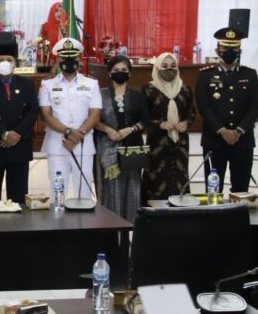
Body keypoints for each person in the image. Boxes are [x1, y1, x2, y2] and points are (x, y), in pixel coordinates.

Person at [196, 27, 258, 193]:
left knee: (241, 191)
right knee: (213, 190)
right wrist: (222, 131)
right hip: (214, 141)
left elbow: (255, 108)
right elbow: (204, 107)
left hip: (242, 141)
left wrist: (238, 131)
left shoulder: (250, 75)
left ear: (240, 51)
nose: (229, 52)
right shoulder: (205, 76)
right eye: (225, 48)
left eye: (234, 48)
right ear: (218, 51)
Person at [38, 38, 102, 199]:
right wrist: (68, 132)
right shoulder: (47, 85)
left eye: (73, 57)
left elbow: (95, 114)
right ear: (58, 60)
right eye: (65, 57)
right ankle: (58, 215)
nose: (69, 61)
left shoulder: (92, 84)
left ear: (79, 60)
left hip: (84, 146)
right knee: (57, 193)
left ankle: (83, 216)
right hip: (57, 146)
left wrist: (76, 136)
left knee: (83, 193)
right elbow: (46, 115)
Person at [0, 42, 39, 203]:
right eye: (0, 59)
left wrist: (16, 134)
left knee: (18, 200)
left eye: (9, 59)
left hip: (19, 147)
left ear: (15, 63)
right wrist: (3, 134)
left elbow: (32, 111)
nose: (5, 63)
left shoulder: (27, 84)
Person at [94, 56, 149, 222]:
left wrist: (131, 129)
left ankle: (130, 226)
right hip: (107, 149)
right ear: (109, 73)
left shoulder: (138, 95)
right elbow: (93, 119)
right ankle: (109, 225)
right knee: (110, 188)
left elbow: (145, 120)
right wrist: (107, 129)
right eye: (116, 70)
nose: (120, 73)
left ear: (130, 73)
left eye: (124, 70)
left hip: (132, 149)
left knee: (132, 188)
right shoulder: (100, 95)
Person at [142, 53, 196, 202]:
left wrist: (186, 123)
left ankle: (179, 208)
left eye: (173, 66)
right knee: (156, 177)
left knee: (179, 175)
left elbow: (191, 112)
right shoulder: (148, 89)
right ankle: (153, 211)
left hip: (180, 141)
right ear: (157, 68)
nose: (169, 70)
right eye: (164, 66)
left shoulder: (185, 88)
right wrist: (159, 124)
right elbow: (143, 116)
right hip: (157, 142)